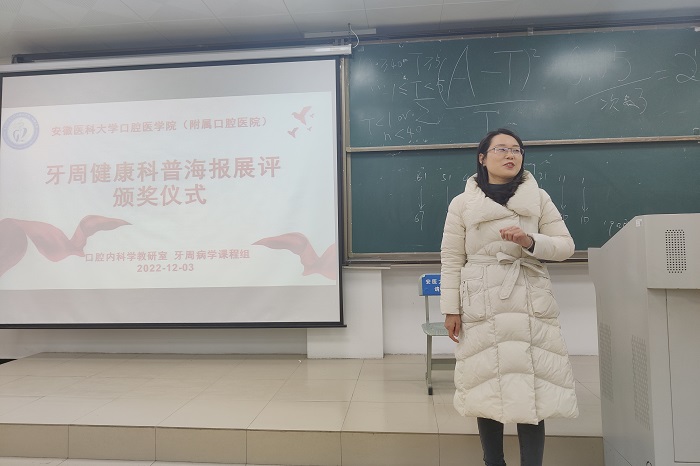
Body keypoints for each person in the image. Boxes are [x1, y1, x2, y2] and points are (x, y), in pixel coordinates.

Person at [440, 128, 578, 466]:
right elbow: (452, 258)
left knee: (532, 389)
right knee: (487, 385)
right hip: (481, 302)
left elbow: (565, 246)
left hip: (528, 299)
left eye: (516, 149)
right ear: (482, 158)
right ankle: (494, 462)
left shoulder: (538, 198)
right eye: (501, 149)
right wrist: (451, 309)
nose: (510, 155)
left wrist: (530, 241)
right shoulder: (462, 204)